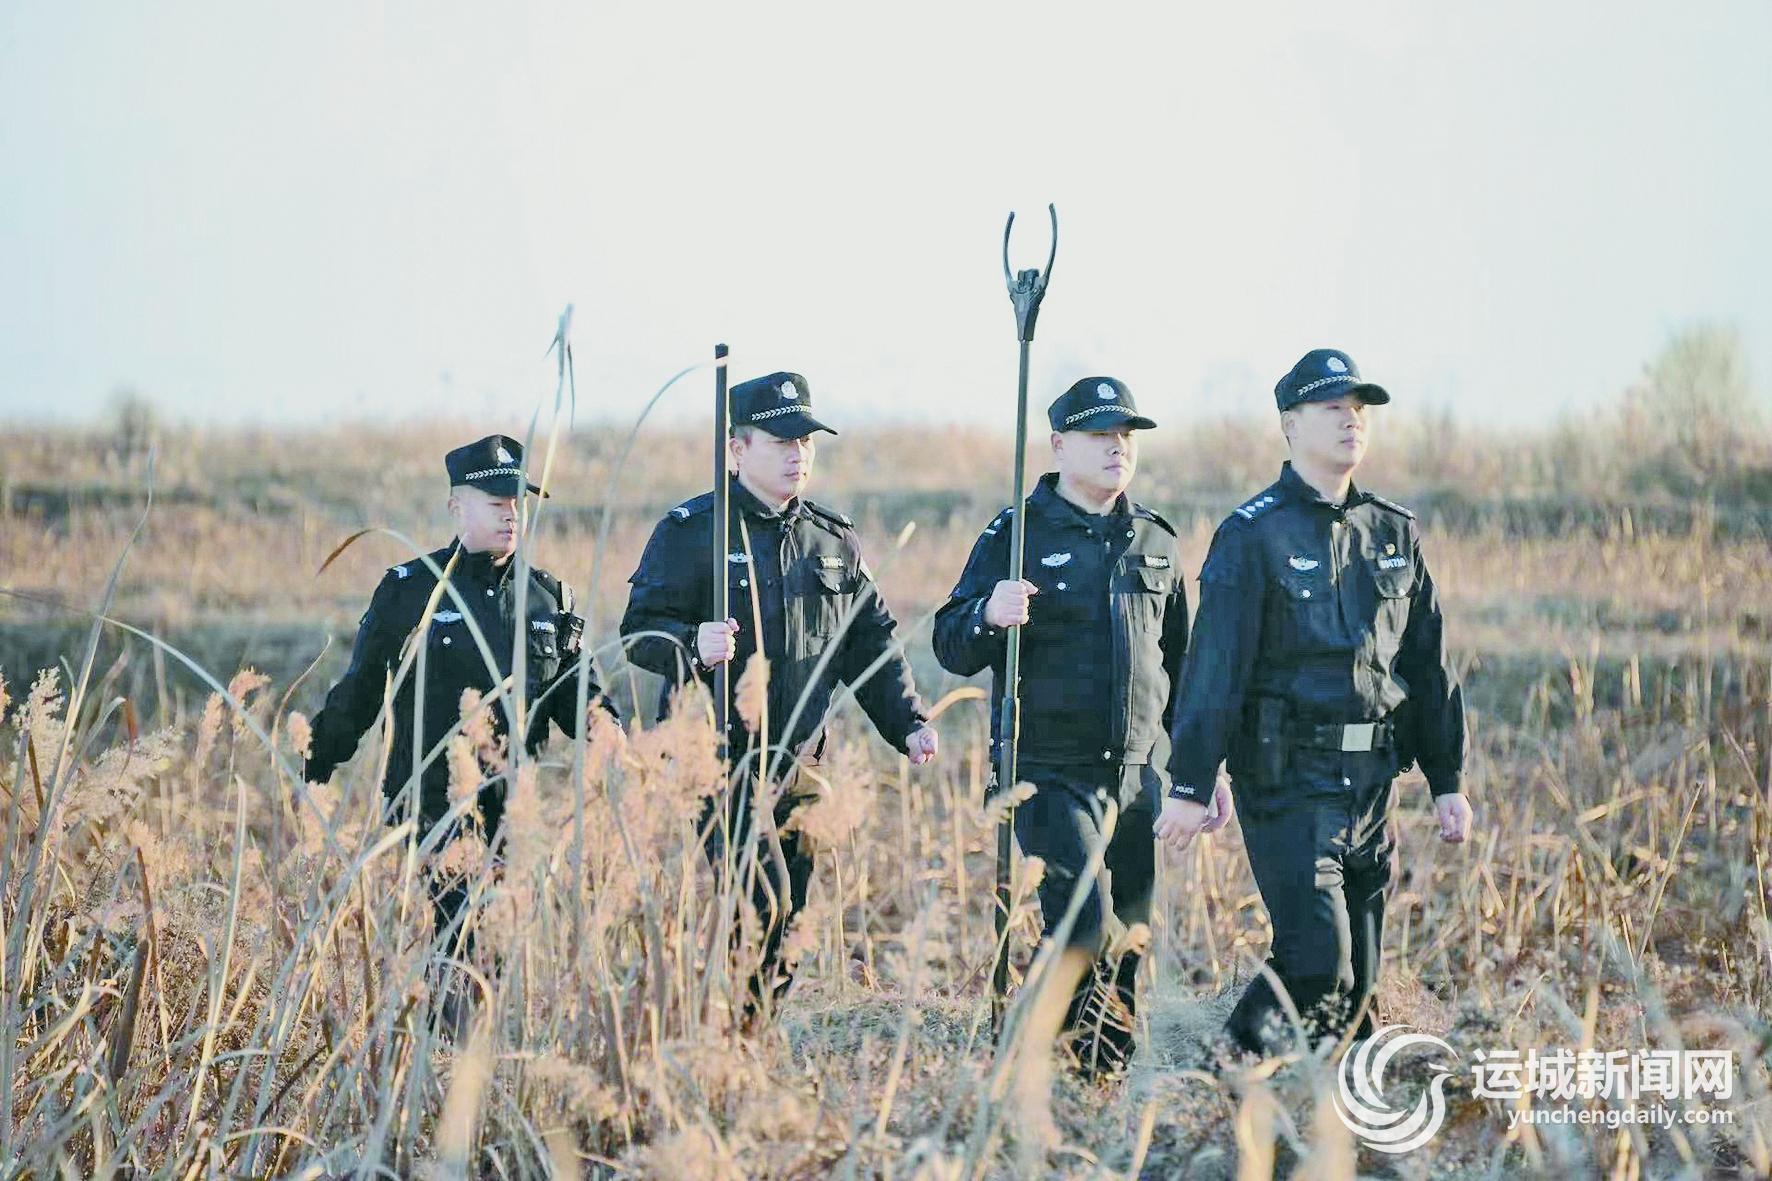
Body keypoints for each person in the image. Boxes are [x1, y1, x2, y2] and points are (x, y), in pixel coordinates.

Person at [1156, 349, 1473, 1058]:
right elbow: (1215, 668)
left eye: (1358, 409)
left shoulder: (1393, 531)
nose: (1350, 421)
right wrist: (1191, 782)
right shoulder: (1252, 534)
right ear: (1291, 425)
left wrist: (1447, 778)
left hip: (1372, 784)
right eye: (1332, 408)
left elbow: (1427, 662)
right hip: (1288, 780)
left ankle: (1314, 1102)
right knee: (1317, 961)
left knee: (1357, 988)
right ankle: (1220, 1076)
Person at [620, 371, 937, 1024]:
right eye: (781, 441)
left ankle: (751, 1034)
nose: (798, 455)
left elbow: (870, 642)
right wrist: (690, 641)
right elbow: (638, 633)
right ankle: (725, 1031)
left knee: (793, 915)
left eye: (806, 442)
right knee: (761, 899)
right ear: (737, 448)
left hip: (803, 760)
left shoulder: (832, 539)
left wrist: (908, 722)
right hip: (718, 760)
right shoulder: (692, 531)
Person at [933, 377, 1188, 1078]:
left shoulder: (1156, 539)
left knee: (1128, 941)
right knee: (1083, 926)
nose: (1117, 447)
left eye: (1125, 436)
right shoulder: (1015, 535)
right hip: (1046, 771)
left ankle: (1099, 1080)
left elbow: (1181, 667)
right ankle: (1039, 1056)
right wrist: (988, 612)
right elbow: (950, 642)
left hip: (1134, 774)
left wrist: (1201, 770)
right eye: (1100, 435)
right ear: (1058, 445)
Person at [304, 434, 614, 961]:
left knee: (499, 953)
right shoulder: (410, 591)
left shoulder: (546, 598)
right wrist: (315, 760)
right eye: (496, 503)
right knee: (456, 944)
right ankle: (445, 1015)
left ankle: (473, 1015)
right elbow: (361, 691)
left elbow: (579, 695)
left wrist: (617, 740)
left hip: (513, 808)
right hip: (432, 806)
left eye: (516, 503)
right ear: (457, 507)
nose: (511, 515)